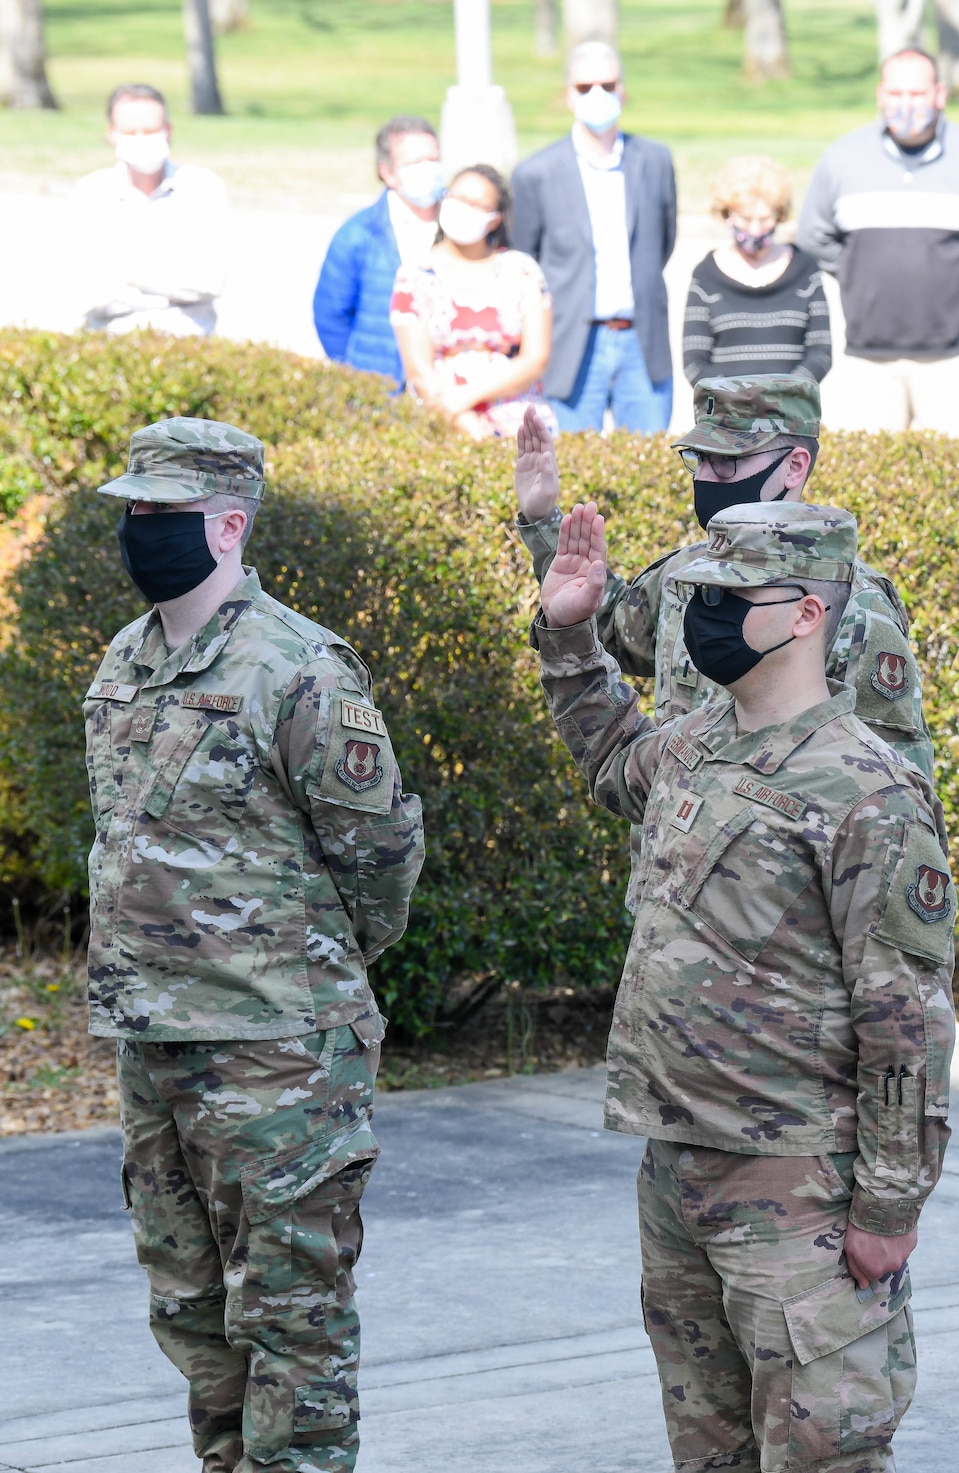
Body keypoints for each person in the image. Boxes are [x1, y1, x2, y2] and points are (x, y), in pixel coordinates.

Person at [533, 497, 954, 1473]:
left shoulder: (868, 790)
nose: (704, 615)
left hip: (797, 1188)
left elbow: (905, 1023)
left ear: (807, 613)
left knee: (820, 1456)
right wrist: (568, 634)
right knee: (706, 1455)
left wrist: (888, 1207)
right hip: (677, 1171)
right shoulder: (695, 741)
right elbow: (608, 758)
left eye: (730, 595)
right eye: (699, 594)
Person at [83, 417, 426, 1473]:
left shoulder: (300, 668)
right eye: (134, 513)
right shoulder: (125, 662)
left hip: (279, 1054)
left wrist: (303, 977)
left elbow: (376, 859)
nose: (143, 533)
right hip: (159, 1043)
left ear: (228, 525)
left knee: (292, 1326)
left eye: (165, 515)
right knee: (193, 1319)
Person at [513, 372, 932, 807]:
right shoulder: (687, 571)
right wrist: (543, 519)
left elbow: (892, 794)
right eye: (700, 458)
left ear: (794, 466)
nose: (707, 477)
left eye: (728, 461)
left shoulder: (852, 601)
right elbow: (612, 631)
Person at [797, 46, 959, 441]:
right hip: (869, 362)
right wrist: (863, 272)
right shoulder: (841, 160)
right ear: (880, 96)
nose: (906, 104)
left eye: (917, 94)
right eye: (896, 94)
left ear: (940, 95)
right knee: (864, 488)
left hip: (955, 361)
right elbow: (813, 236)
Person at [512, 42, 679, 434]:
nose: (598, 95)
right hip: (571, 341)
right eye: (585, 87)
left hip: (641, 340)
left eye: (608, 84)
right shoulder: (535, 173)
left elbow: (664, 241)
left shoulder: (654, 161)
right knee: (569, 469)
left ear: (623, 89)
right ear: (568, 94)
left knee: (648, 467)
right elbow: (523, 261)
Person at [390, 165, 555, 441]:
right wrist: (467, 422)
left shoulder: (523, 270)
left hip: (517, 423)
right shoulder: (415, 275)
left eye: (476, 205)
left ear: (494, 219)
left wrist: (468, 396)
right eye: (457, 198)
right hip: (442, 419)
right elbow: (419, 370)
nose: (463, 209)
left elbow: (536, 358)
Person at [72, 83, 228, 337]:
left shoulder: (202, 188)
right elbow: (89, 295)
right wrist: (171, 293)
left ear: (169, 130)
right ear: (112, 133)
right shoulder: (90, 193)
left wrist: (131, 277)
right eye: (131, 131)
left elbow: (209, 282)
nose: (142, 139)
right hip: (110, 343)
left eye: (151, 130)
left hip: (190, 342)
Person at [312, 115, 444, 387]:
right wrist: (364, 378)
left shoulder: (462, 226)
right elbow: (331, 316)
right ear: (388, 172)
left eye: (433, 160)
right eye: (415, 163)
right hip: (386, 392)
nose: (428, 169)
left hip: (452, 391)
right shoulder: (358, 234)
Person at [682, 155, 833, 384]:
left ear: (779, 215)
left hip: (791, 411)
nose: (755, 228)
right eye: (745, 218)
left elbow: (820, 352)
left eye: (764, 219)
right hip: (727, 414)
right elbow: (694, 360)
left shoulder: (806, 270)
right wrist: (737, 397)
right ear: (727, 215)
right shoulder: (706, 275)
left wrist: (783, 393)